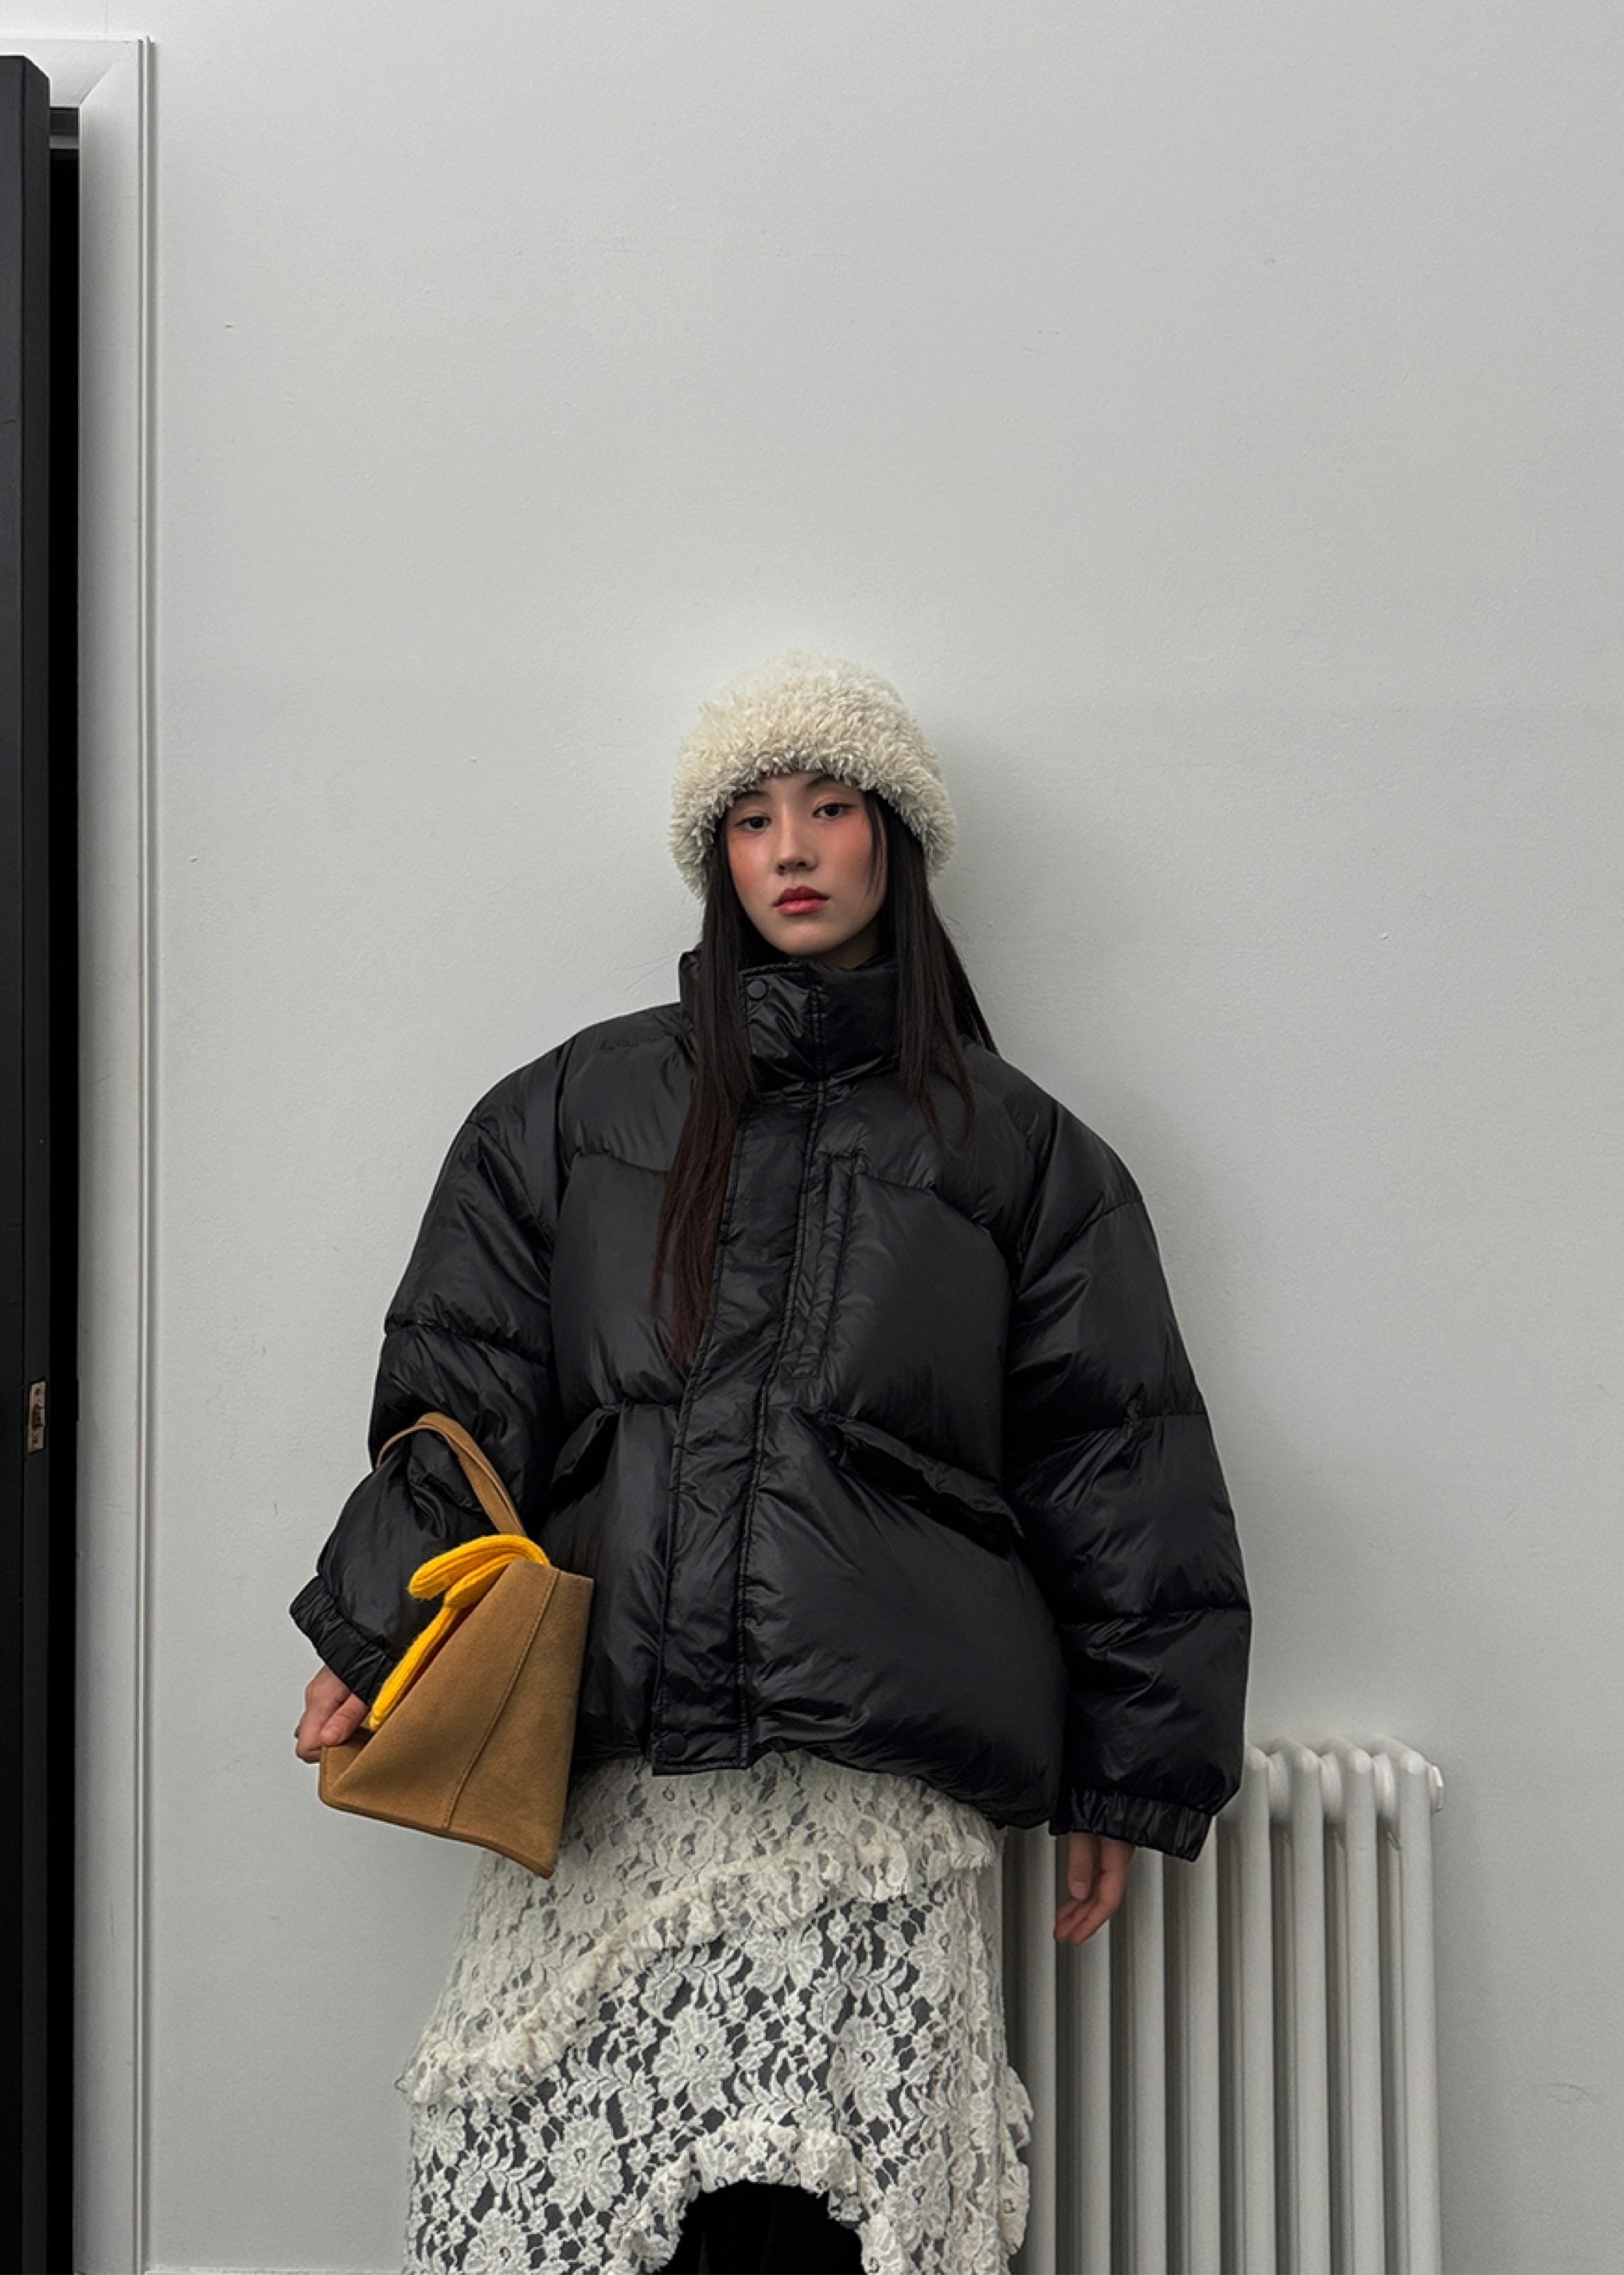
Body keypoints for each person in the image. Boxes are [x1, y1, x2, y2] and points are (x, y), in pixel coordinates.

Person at [291, 650, 1251, 2274]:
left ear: (897, 837)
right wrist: (370, 1625)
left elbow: (1117, 1457)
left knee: (817, 2227)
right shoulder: (569, 1110)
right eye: (750, 818)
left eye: (830, 806)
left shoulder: (1021, 1151)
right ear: (716, 855)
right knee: (550, 2185)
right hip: (619, 1774)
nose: (791, 847)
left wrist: (1128, 1772)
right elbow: (465, 1392)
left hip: (866, 1792)